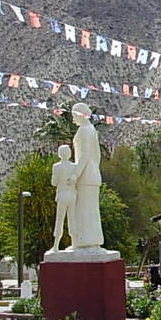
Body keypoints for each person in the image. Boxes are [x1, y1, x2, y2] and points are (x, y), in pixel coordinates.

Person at [70, 103, 104, 249]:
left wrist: (75, 175)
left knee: (84, 210)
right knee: (89, 209)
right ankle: (87, 240)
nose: (73, 119)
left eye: (73, 116)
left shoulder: (85, 130)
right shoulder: (91, 130)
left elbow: (85, 155)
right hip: (92, 173)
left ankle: (85, 241)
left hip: (86, 176)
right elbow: (97, 155)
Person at [50, 144, 77, 252]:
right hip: (72, 195)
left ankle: (56, 245)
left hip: (62, 194)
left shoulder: (56, 167)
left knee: (59, 219)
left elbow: (54, 182)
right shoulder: (74, 166)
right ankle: (74, 243)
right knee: (72, 219)